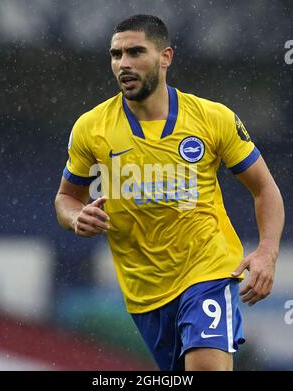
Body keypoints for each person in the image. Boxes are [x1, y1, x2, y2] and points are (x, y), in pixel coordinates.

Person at [54, 14, 284, 371]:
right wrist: (75, 217)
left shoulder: (213, 118)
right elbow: (66, 198)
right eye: (116, 55)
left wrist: (267, 253)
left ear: (166, 57)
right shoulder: (91, 128)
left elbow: (265, 189)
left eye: (135, 52)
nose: (123, 64)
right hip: (144, 291)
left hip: (206, 269)